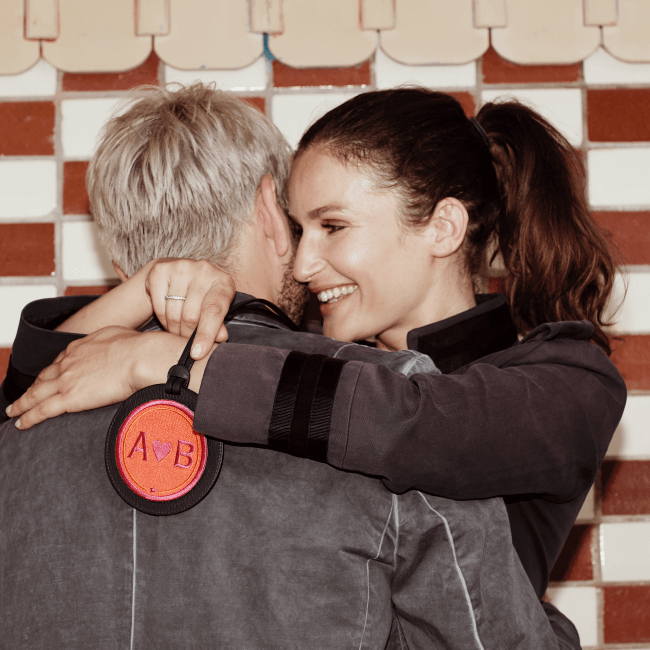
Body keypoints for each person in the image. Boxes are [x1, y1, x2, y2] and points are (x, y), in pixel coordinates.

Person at [0, 83, 561, 648]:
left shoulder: (18, 429)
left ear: (124, 267)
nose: (309, 260)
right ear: (271, 212)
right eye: (299, 224)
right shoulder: (388, 405)